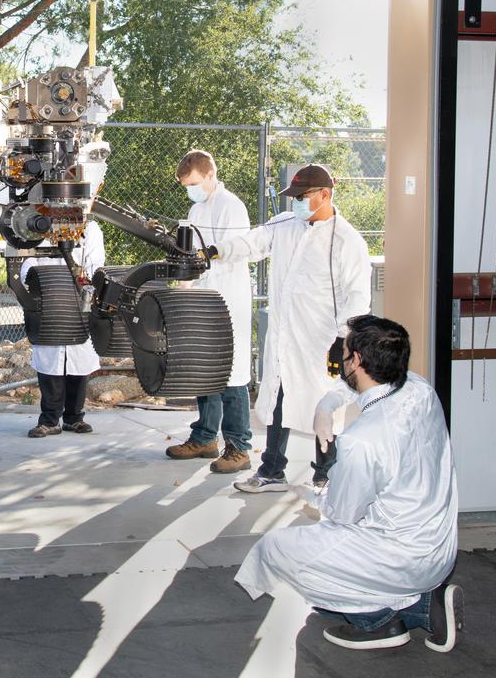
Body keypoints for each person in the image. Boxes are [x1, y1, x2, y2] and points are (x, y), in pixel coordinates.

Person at [235, 315, 462, 653]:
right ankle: (421, 603)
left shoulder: (362, 440)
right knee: (326, 584)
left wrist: (314, 493)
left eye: (344, 354)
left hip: (403, 558)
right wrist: (326, 405)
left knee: (274, 550)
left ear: (356, 361)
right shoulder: (420, 389)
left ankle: (384, 620)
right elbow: (362, 385)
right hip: (440, 549)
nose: (340, 360)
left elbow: (343, 515)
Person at [204, 163, 371, 492]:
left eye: (302, 197)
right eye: (293, 197)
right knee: (279, 399)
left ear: (325, 195)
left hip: (321, 341)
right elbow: (252, 243)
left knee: (324, 407)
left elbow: (358, 296)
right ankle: (271, 471)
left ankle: (326, 476)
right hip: (285, 339)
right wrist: (216, 251)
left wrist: (344, 338)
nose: (295, 203)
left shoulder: (347, 241)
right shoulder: (286, 224)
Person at [164, 150, 253, 473]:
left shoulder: (232, 207)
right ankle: (204, 437)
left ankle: (239, 446)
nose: (192, 189)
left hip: (227, 300)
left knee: (231, 374)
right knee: (206, 371)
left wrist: (197, 275)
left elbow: (230, 255)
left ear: (210, 174)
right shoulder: (196, 207)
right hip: (204, 299)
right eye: (187, 185)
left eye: (195, 183)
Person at [20, 220, 105, 438]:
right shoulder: (36, 223)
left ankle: (74, 418)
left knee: (79, 366)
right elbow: (27, 263)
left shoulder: (90, 228)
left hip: (79, 303)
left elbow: (95, 264)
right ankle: (49, 421)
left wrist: (86, 284)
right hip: (48, 301)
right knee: (50, 366)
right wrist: (43, 281)